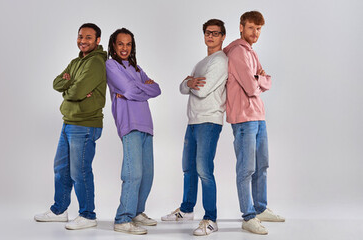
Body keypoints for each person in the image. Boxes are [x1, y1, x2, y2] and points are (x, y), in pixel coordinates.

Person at [34, 23, 108, 231]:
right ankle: (59, 210)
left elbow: (74, 92)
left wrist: (69, 90)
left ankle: (87, 214)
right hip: (68, 122)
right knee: (61, 168)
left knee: (80, 171)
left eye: (88, 38)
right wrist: (70, 86)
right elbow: (57, 82)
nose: (83, 41)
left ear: (97, 41)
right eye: (80, 37)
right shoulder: (76, 61)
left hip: (85, 124)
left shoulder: (95, 63)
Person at [160, 19, 228, 236]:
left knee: (204, 170)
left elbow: (201, 90)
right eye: (208, 32)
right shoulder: (202, 62)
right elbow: (183, 87)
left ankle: (211, 218)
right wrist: (189, 82)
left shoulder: (220, 61)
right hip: (193, 121)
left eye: (216, 33)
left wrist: (191, 83)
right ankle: (187, 209)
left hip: (209, 121)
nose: (211, 36)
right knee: (188, 168)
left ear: (223, 36)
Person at [223, 10, 284, 235]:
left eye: (258, 29)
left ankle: (260, 207)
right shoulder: (238, 52)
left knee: (262, 165)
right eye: (251, 28)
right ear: (241, 27)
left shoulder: (251, 52)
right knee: (246, 168)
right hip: (243, 119)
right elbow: (252, 87)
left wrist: (260, 79)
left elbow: (265, 81)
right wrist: (260, 79)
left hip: (258, 116)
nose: (255, 32)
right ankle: (248, 216)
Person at [106, 28, 161, 235]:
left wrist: (135, 88)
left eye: (128, 44)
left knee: (147, 174)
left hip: (147, 124)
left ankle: (137, 211)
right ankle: (122, 219)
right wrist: (139, 88)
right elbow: (128, 90)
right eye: (120, 44)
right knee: (133, 173)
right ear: (113, 45)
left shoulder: (137, 68)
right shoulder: (111, 65)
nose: (124, 48)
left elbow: (157, 89)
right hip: (129, 123)